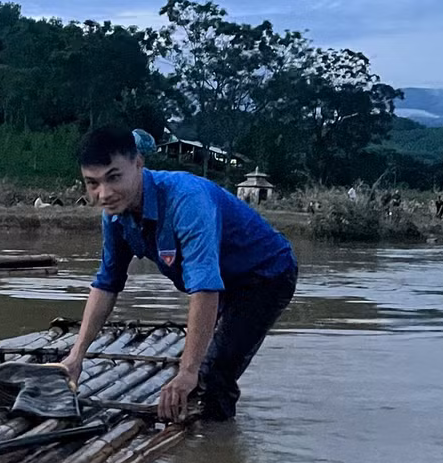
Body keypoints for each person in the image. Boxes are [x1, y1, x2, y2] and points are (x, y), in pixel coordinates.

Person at [59, 126, 297, 423]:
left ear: (138, 164)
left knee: (211, 376)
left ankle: (214, 451)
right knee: (209, 357)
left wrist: (187, 372)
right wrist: (76, 355)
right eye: (92, 183)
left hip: (265, 274)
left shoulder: (186, 201)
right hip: (223, 278)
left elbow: (205, 289)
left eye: (114, 177)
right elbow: (107, 284)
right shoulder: (116, 217)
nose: (103, 194)